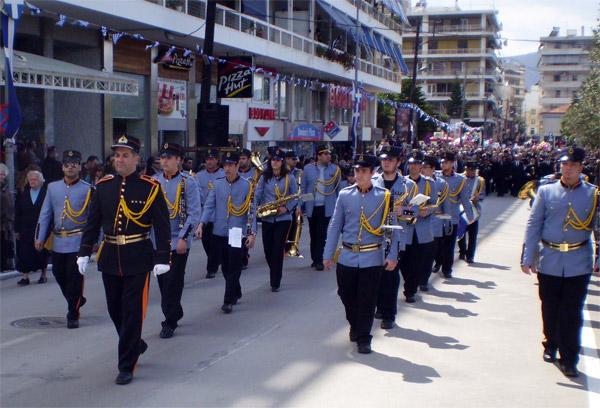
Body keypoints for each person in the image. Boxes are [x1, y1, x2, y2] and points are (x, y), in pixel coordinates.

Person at [77, 135, 171, 385]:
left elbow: (162, 225)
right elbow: (92, 221)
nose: (119, 159)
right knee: (114, 309)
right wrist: (84, 251)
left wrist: (163, 256)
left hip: (138, 256)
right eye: (116, 155)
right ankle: (135, 342)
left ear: (136, 158)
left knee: (131, 312)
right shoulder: (104, 185)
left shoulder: (150, 187)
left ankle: (126, 365)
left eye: (125, 155)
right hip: (109, 256)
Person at [521, 147, 599, 378]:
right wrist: (528, 256)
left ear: (580, 168)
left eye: (573, 165)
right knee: (550, 307)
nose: (568, 168)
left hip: (579, 260)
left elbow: (598, 226)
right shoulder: (546, 192)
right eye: (565, 164)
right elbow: (534, 224)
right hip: (549, 258)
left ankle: (569, 358)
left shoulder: (593, 194)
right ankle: (550, 343)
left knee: (572, 312)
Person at [323, 153, 399, 354]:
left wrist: (392, 255)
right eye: (357, 171)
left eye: (364, 171)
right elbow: (335, 225)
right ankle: (355, 324)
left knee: (367, 298)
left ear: (372, 173)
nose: (360, 175)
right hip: (347, 254)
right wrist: (328, 253)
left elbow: (391, 228)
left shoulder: (385, 196)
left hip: (372, 256)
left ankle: (364, 337)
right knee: (345, 293)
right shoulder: (345, 195)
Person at [35, 150, 93, 328]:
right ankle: (75, 299)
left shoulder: (88, 189)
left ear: (79, 167)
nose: (70, 167)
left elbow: (94, 218)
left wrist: (95, 240)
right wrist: (39, 237)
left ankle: (72, 314)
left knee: (74, 278)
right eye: (67, 164)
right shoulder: (53, 188)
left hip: (78, 241)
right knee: (59, 274)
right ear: (62, 167)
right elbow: (45, 214)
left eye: (74, 164)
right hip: (59, 240)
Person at [196, 150, 256, 313]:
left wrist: (252, 233)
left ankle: (228, 300)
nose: (228, 168)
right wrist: (202, 223)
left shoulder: (246, 185)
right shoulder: (217, 184)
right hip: (219, 230)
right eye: (226, 165)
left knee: (234, 265)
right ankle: (235, 289)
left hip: (237, 231)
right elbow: (209, 205)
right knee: (224, 266)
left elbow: (251, 211)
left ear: (237, 166)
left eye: (231, 165)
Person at [153, 143, 201, 338]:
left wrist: (183, 238)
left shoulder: (188, 182)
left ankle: (169, 321)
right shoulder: (154, 182)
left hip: (178, 239)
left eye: (169, 157)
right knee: (163, 282)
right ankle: (175, 310)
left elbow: (194, 213)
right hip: (158, 241)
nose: (164, 161)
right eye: (162, 157)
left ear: (179, 160)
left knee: (173, 281)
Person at [372, 145, 415, 329]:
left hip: (397, 235)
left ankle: (389, 314)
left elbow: (415, 212)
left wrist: (402, 210)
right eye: (384, 159)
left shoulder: (409, 185)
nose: (386, 162)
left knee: (391, 275)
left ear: (398, 162)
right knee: (376, 274)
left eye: (390, 159)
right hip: (375, 236)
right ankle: (380, 307)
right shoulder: (373, 182)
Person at [253, 148, 298, 291]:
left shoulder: (289, 177)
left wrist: (287, 208)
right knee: (268, 250)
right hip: (267, 218)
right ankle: (275, 270)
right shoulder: (264, 177)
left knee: (278, 249)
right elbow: (258, 195)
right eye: (273, 160)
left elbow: (295, 195)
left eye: (278, 160)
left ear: (282, 162)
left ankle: (275, 281)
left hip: (283, 218)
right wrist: (256, 208)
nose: (275, 162)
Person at [301, 145, 341, 270]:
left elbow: (338, 189)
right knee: (313, 233)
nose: (328, 156)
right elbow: (303, 188)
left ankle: (319, 259)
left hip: (327, 206)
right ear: (318, 156)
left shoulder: (335, 169)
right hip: (311, 206)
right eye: (325, 154)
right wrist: (299, 206)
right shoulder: (308, 169)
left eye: (329, 154)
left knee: (321, 233)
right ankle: (315, 258)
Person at [435, 152, 474, 278]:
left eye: (446, 162)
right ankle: (438, 262)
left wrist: (470, 215)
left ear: (452, 163)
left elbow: (464, 199)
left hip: (451, 216)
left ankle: (447, 269)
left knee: (449, 245)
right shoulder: (435, 176)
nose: (443, 164)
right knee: (437, 244)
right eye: (442, 162)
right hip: (437, 216)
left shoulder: (460, 179)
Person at [403, 151, 437, 297]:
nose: (413, 167)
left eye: (417, 164)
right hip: (405, 227)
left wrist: (427, 211)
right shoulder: (402, 182)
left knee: (417, 261)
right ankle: (409, 283)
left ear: (421, 166)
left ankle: (410, 290)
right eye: (411, 163)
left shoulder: (429, 183)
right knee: (404, 261)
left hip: (421, 227)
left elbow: (434, 204)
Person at [194, 149, 225, 279]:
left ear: (217, 160)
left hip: (219, 215)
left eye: (212, 159)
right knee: (206, 242)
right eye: (207, 159)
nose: (210, 162)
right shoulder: (199, 176)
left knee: (215, 243)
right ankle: (215, 260)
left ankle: (211, 268)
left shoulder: (223, 174)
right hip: (205, 215)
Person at [15, 170, 49, 285]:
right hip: (25, 228)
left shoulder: (46, 194)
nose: (32, 182)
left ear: (40, 181)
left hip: (41, 228)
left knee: (41, 251)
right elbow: (17, 212)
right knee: (24, 252)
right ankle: (25, 276)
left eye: (34, 180)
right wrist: (17, 229)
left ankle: (43, 274)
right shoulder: (23, 194)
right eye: (30, 180)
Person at [421, 155, 449, 285]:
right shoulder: (414, 182)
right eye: (422, 166)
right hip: (417, 223)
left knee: (429, 255)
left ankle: (424, 281)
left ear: (432, 169)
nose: (422, 169)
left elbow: (445, 206)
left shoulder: (441, 183)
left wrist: (447, 222)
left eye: (425, 167)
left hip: (435, 223)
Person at [458, 161, 486, 263]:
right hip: (461, 209)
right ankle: (462, 252)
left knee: (473, 235)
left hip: (474, 210)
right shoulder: (459, 178)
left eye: (473, 170)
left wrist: (478, 197)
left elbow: (483, 194)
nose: (472, 172)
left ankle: (470, 256)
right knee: (461, 233)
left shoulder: (480, 181)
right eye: (469, 170)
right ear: (466, 169)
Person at [0, 163, 15, 271]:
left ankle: (5, 263)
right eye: (0, 174)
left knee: (5, 243)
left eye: (3, 175)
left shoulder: (6, 188)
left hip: (5, 222)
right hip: (2, 220)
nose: (2, 176)